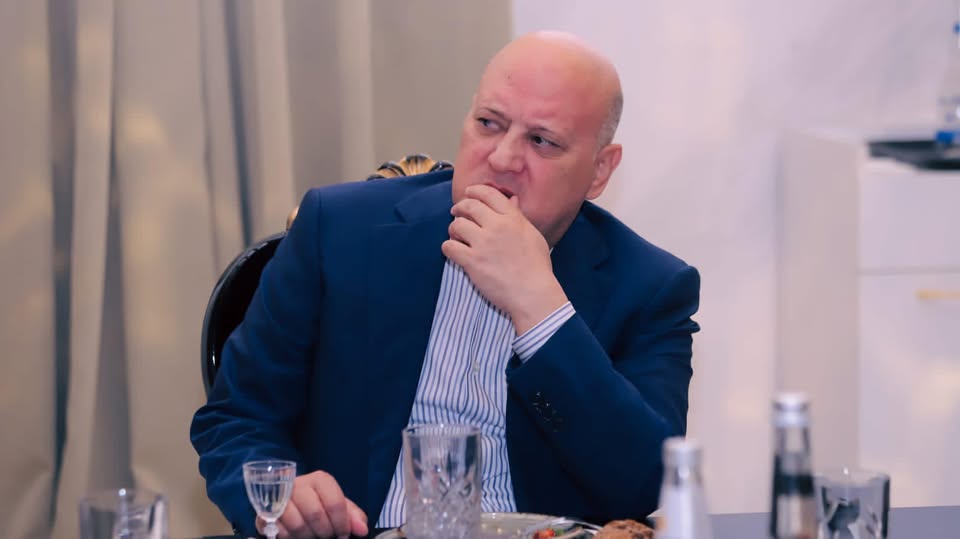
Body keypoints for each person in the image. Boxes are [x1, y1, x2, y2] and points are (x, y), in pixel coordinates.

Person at [191, 30, 700, 539]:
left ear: (600, 170)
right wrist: (284, 497)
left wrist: (541, 309)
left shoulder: (651, 287)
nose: (502, 158)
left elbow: (642, 484)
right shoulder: (341, 230)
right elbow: (236, 419)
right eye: (488, 123)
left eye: (542, 141)